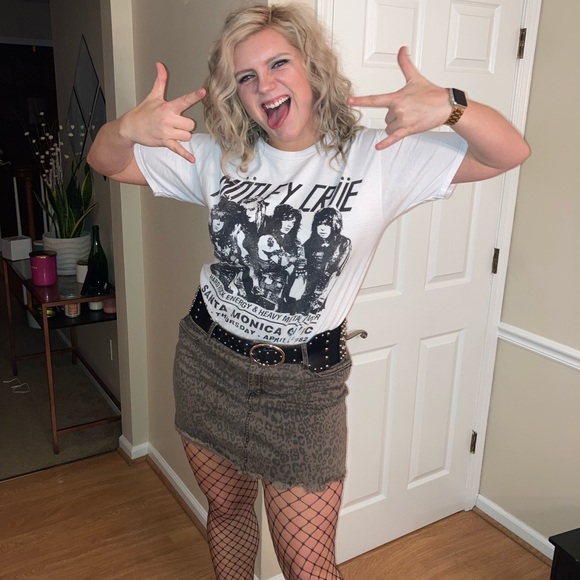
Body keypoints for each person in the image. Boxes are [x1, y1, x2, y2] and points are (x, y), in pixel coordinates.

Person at [87, 3, 530, 579]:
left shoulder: (379, 158)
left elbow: (508, 153)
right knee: (226, 510)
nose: (264, 86)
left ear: (312, 67)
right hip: (207, 361)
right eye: (246, 77)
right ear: (235, 93)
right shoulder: (217, 157)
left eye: (279, 64)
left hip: (304, 387)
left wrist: (452, 106)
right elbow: (108, 163)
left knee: (309, 566)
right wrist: (124, 130)